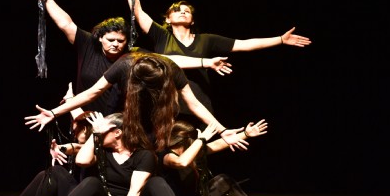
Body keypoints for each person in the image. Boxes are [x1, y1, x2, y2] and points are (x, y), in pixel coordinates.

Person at [120, 0, 312, 123]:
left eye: (187, 11)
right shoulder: (161, 35)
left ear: (192, 20)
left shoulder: (206, 40)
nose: (182, 12)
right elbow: (138, 12)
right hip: (167, 105)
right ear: (168, 19)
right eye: (177, 10)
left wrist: (280, 39)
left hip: (200, 105)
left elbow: (245, 44)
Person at [27, 0, 233, 116]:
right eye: (111, 40)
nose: (116, 45)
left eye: (120, 41)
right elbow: (65, 23)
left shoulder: (132, 54)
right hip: (86, 117)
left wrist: (206, 62)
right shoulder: (88, 44)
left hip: (118, 121)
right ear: (100, 38)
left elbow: (169, 60)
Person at [25, 51, 248, 152]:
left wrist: (222, 130)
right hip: (124, 110)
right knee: (112, 147)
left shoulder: (171, 69)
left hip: (157, 116)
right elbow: (93, 92)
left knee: (154, 152)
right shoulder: (124, 66)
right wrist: (54, 112)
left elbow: (194, 104)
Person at [159, 119, 329, 196]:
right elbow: (182, 162)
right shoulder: (167, 157)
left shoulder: (192, 150)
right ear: (184, 142)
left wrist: (246, 134)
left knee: (223, 180)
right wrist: (201, 139)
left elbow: (218, 144)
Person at [42, 112, 188, 196]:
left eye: (102, 130)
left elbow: (135, 191)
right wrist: (95, 134)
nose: (98, 132)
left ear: (117, 132)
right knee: (92, 181)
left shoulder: (144, 155)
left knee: (156, 181)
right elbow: (81, 161)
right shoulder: (102, 152)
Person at [0, 85, 93, 196]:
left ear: (85, 129)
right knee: (45, 174)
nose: (73, 134)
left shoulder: (98, 147)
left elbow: (78, 146)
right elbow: (84, 121)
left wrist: (63, 148)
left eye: (75, 132)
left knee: (56, 172)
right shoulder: (88, 135)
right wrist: (70, 100)